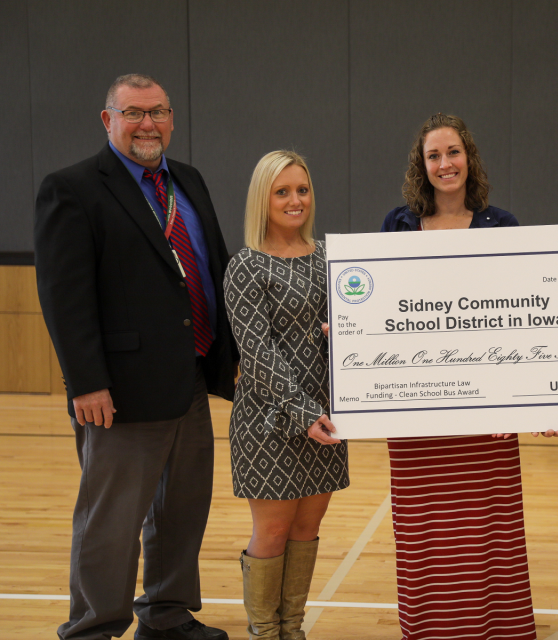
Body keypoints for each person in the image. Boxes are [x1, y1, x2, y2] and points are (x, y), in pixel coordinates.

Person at [34, 74, 237, 640]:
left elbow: (213, 267)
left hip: (189, 375)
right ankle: (93, 627)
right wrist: (85, 382)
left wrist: (229, 354)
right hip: (119, 390)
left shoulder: (187, 180)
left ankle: (167, 615)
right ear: (108, 120)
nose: (148, 124)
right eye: (133, 113)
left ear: (171, 119)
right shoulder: (73, 188)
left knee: (182, 508)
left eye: (158, 112)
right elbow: (64, 296)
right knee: (112, 518)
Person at [379, 113, 538, 640]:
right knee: (424, 531)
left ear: (469, 158)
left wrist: (526, 400)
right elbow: (382, 307)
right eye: (434, 155)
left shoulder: (503, 225)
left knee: (488, 529)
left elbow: (524, 315)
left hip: (487, 419)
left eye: (453, 152)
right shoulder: (398, 225)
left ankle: (498, 629)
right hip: (417, 416)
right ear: (421, 165)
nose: (445, 163)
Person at [224, 150, 349, 640]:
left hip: (327, 421)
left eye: (302, 190)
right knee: (273, 531)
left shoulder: (331, 258)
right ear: (263, 198)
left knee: (305, 529)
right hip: (268, 422)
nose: (295, 200)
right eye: (282, 192)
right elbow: (256, 353)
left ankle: (291, 630)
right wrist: (302, 412)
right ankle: (263, 632)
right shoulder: (246, 266)